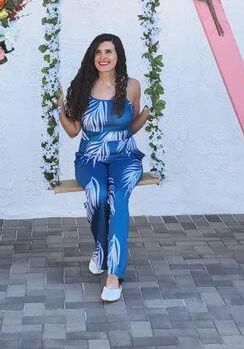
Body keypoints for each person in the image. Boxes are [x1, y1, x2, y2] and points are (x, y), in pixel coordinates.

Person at [57, 33, 150, 302]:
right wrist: (60, 108)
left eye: (109, 51)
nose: (103, 57)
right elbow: (74, 131)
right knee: (96, 194)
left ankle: (114, 275)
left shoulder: (132, 86)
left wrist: (148, 112)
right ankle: (100, 248)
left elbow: (129, 127)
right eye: (98, 52)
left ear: (118, 55)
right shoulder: (82, 88)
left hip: (125, 156)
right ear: (92, 57)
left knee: (118, 198)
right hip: (91, 157)